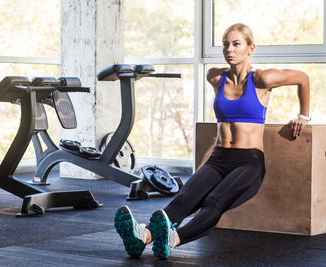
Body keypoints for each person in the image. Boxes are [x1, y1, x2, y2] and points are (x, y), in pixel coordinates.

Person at [114, 23, 311, 260]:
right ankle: (142, 237)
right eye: (226, 44)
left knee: (214, 202)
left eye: (237, 44)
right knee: (184, 199)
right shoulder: (216, 77)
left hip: (248, 162)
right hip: (218, 159)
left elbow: (303, 78)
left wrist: (303, 115)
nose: (230, 49)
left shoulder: (261, 79)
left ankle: (173, 239)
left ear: (250, 48)